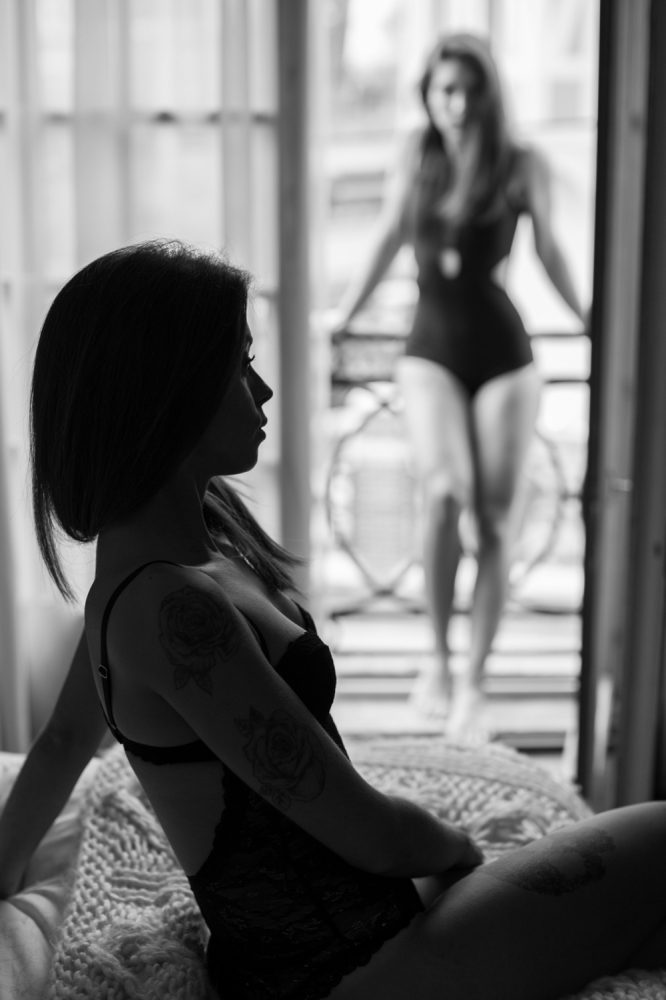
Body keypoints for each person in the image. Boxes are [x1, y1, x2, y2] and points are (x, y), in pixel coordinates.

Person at [2, 238, 666, 1000]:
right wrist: (459, 850)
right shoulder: (170, 610)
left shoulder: (155, 574)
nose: (263, 390)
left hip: (348, 947)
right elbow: (374, 835)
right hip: (356, 968)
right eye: (239, 366)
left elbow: (63, 742)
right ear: (166, 391)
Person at [331, 34, 586, 735]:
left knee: (496, 521)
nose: (459, 104)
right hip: (430, 350)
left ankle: (476, 679)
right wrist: (342, 319)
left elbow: (552, 250)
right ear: (429, 94)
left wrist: (591, 320)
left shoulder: (519, 161)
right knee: (443, 494)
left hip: (505, 355)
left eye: (471, 90)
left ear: (489, 95)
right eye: (446, 89)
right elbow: (386, 236)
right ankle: (439, 661)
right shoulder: (417, 154)